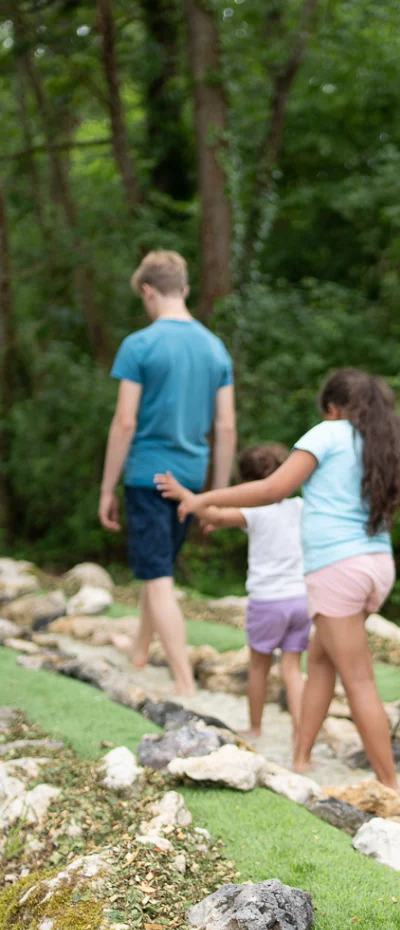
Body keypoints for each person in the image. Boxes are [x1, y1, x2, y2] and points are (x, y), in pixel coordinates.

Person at [157, 368, 400, 790]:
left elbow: (273, 490)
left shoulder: (327, 434)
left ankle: (390, 786)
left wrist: (206, 497)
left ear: (332, 407)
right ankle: (302, 759)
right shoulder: (390, 451)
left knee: (359, 678)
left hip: (337, 570)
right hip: (377, 568)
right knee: (321, 659)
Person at [99, 250, 236, 697]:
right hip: (192, 478)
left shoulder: (139, 345)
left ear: (147, 291)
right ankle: (140, 650)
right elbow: (226, 426)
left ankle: (183, 684)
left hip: (146, 477)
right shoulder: (215, 347)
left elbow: (124, 423)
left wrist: (106, 488)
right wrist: (217, 496)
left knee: (158, 579)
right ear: (187, 290)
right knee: (156, 570)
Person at [156, 444, 311, 741]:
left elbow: (214, 515)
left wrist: (184, 494)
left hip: (268, 600)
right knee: (292, 668)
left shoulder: (254, 510)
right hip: (301, 600)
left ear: (246, 483)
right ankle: (301, 736)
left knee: (259, 667)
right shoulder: (302, 507)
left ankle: (255, 727)